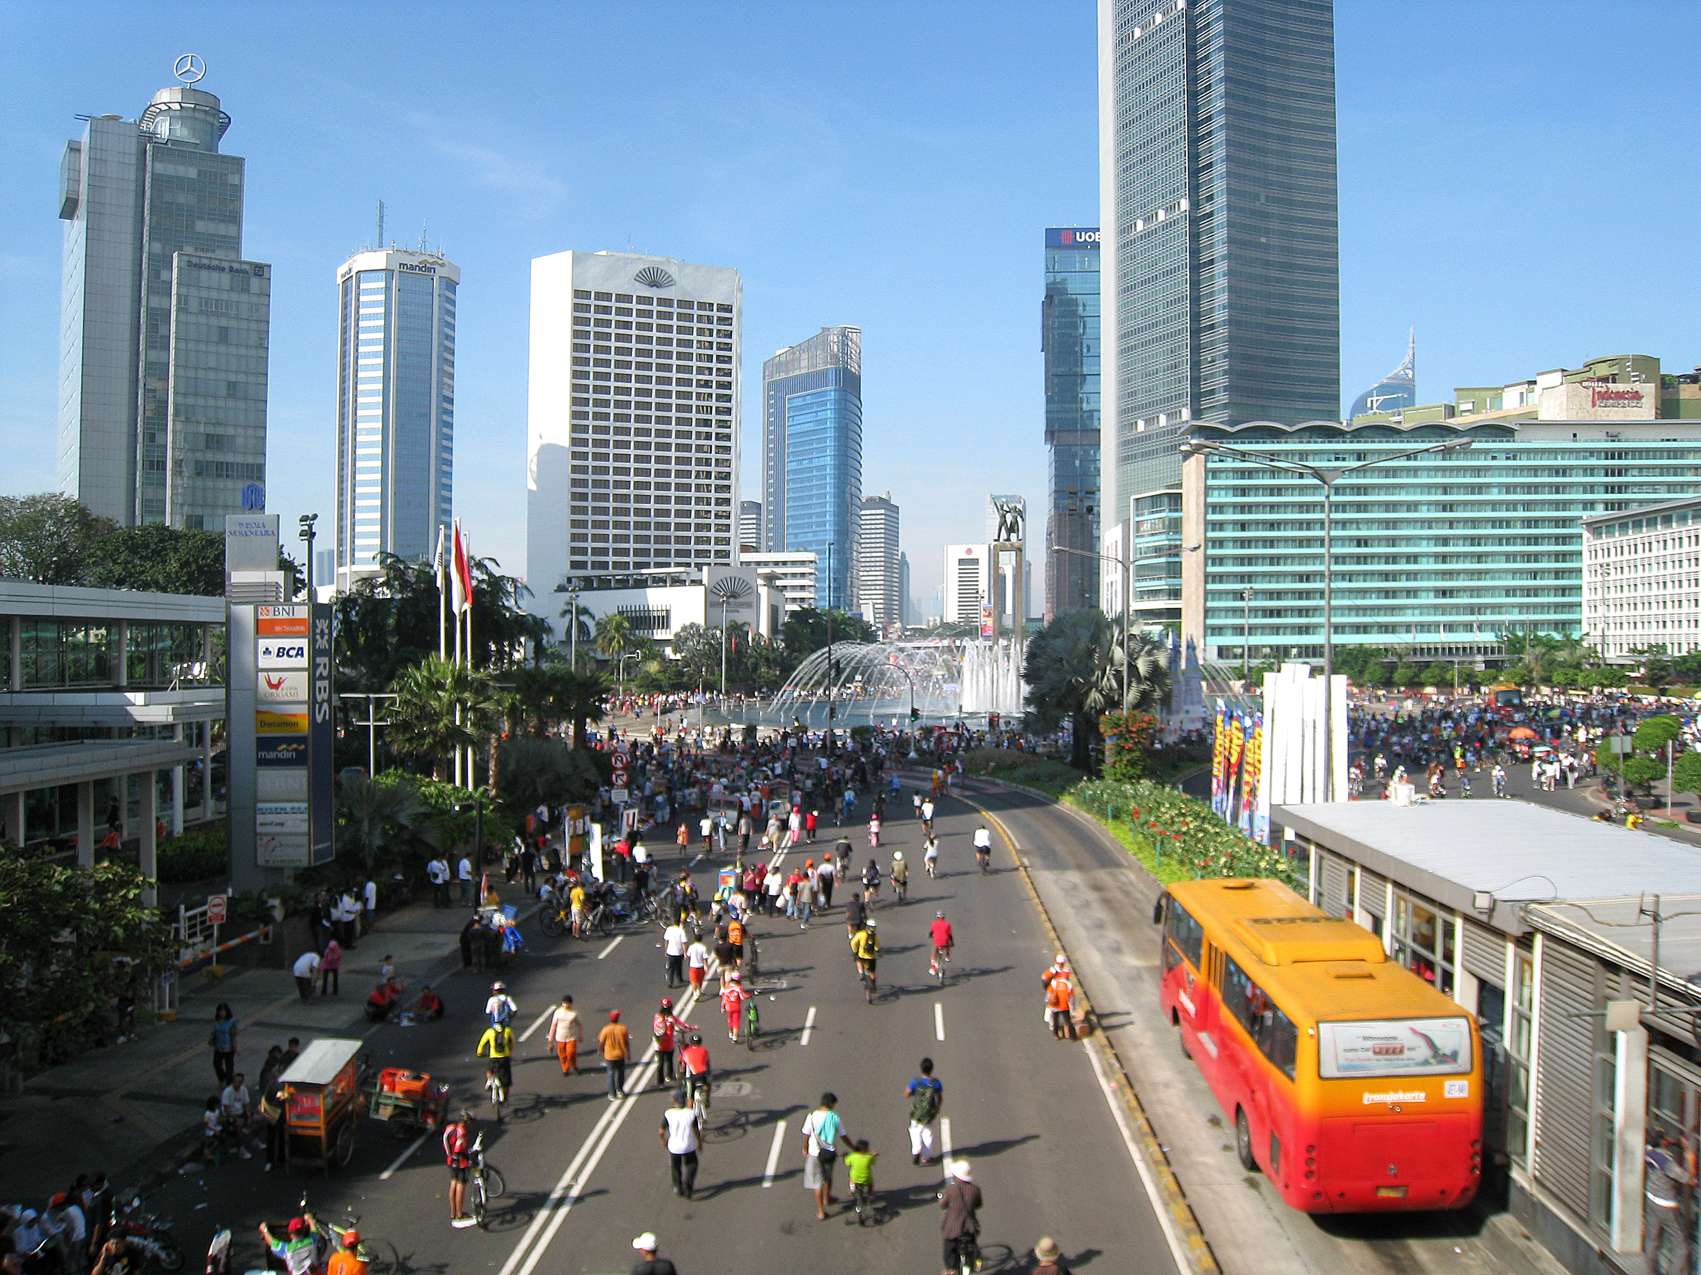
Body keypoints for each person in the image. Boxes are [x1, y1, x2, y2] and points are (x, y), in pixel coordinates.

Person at [801, 1092, 851, 1221]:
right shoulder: (834, 1118)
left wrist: (805, 1147)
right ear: (830, 1104)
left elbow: (807, 1134)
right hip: (829, 1153)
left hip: (814, 1153)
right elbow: (843, 1136)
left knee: (817, 1183)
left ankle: (821, 1212)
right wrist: (853, 1147)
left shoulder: (811, 1116)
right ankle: (827, 1198)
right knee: (827, 1177)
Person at [940, 1160, 983, 1275]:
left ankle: (951, 1270)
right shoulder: (975, 1189)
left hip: (953, 1228)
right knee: (972, 1246)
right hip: (969, 1227)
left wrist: (941, 1199)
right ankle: (975, 1263)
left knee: (949, 1251)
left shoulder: (951, 1189)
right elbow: (978, 1204)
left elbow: (943, 1205)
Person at [659, 1087, 702, 1199]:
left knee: (676, 1167)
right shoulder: (691, 1113)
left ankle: (677, 1187)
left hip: (674, 1147)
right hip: (688, 1146)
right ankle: (688, 1186)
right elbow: (696, 1130)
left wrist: (663, 1140)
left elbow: (661, 1131)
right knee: (692, 1164)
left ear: (674, 1102)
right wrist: (699, 1142)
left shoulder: (669, 1113)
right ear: (686, 1101)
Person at [443, 1110, 477, 1228]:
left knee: (453, 1185)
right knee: (460, 1187)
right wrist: (468, 1157)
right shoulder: (462, 1132)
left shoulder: (450, 1128)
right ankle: (459, 1214)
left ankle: (453, 1212)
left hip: (450, 1160)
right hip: (460, 1163)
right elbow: (459, 1149)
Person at [906, 1057, 944, 1165]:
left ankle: (916, 1149)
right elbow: (940, 1097)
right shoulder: (936, 1083)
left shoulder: (916, 1081)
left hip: (917, 1112)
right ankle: (926, 1157)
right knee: (928, 1134)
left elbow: (907, 1093)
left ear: (921, 1068)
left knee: (914, 1131)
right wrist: (938, 1106)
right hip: (929, 1113)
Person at [476, 1018, 515, 1111]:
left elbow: (481, 1045)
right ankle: (505, 1099)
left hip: (493, 1058)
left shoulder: (489, 1032)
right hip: (504, 1058)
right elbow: (512, 1042)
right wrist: (508, 1050)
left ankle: (489, 1081)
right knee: (506, 1080)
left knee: (490, 1070)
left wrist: (480, 1053)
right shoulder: (507, 1030)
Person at [653, 998, 689, 1088]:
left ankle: (664, 1079)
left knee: (663, 1062)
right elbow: (682, 1025)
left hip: (662, 1044)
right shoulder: (669, 1018)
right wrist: (692, 1028)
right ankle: (665, 1079)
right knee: (665, 1061)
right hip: (664, 1044)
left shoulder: (658, 1017)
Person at [220, 1072, 254, 1158]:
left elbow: (247, 1104)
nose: (238, 1084)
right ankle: (241, 1147)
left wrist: (249, 1116)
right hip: (231, 1115)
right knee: (240, 1124)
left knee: (259, 1119)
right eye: (236, 1082)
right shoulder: (227, 1092)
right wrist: (236, 1118)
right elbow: (226, 1109)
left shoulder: (243, 1090)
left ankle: (255, 1140)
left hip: (241, 1112)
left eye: (240, 1082)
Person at [599, 1010, 631, 1100]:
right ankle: (620, 1090)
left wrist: (600, 1050)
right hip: (620, 1054)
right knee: (621, 1072)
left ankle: (612, 1093)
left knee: (610, 1073)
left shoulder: (606, 1029)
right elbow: (626, 1042)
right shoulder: (623, 1028)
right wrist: (628, 1053)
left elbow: (601, 1042)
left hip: (609, 1055)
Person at [845, 1138, 878, 1224]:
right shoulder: (869, 1157)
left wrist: (846, 1156)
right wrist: (874, 1155)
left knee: (852, 1177)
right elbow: (873, 1162)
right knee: (871, 1184)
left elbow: (847, 1162)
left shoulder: (853, 1156)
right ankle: (869, 1196)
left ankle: (852, 1189)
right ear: (865, 1149)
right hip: (866, 1179)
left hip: (856, 1178)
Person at [1043, 957, 1077, 1040]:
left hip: (1055, 1006)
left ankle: (1056, 1035)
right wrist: (1072, 1008)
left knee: (1055, 1021)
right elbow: (1071, 998)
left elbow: (1049, 993)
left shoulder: (1055, 982)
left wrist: (1047, 1002)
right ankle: (1072, 1036)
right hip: (1064, 1006)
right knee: (1068, 1022)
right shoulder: (1069, 985)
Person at [547, 994, 580, 1076]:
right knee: (562, 1055)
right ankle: (565, 1069)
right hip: (560, 1037)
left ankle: (574, 1065)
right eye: (564, 1003)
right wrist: (550, 1038)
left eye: (567, 1003)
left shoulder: (574, 1013)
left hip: (571, 1036)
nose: (565, 1005)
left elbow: (579, 1024)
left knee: (571, 1052)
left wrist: (580, 1035)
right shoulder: (558, 1013)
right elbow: (553, 1025)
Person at [679, 1032, 712, 1113]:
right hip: (702, 1075)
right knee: (708, 1085)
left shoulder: (686, 1052)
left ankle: (689, 1117)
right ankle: (707, 1099)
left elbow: (683, 1067)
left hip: (691, 1077)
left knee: (690, 1098)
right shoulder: (705, 1051)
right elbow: (707, 1064)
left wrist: (681, 1076)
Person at [209, 1001, 238, 1085]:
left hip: (229, 1048)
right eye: (220, 1011)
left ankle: (229, 1082)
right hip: (218, 1047)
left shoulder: (231, 1022)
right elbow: (214, 1031)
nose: (222, 1013)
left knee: (229, 1066)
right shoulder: (217, 1021)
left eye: (223, 1011)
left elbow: (235, 1035)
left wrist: (237, 1047)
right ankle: (222, 1078)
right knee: (216, 1064)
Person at [851, 920, 879, 996]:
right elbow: (877, 948)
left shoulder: (861, 934)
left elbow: (853, 942)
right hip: (871, 957)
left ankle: (861, 973)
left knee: (858, 960)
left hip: (862, 955)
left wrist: (855, 950)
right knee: (872, 972)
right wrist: (876, 952)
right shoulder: (876, 937)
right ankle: (873, 985)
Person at [663, 916, 688, 988]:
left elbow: (666, 940)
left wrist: (666, 949)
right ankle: (679, 978)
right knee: (679, 965)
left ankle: (670, 982)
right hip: (679, 952)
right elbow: (684, 943)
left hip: (670, 952)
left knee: (671, 968)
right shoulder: (681, 931)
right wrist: (685, 953)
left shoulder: (669, 929)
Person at [930, 911, 954, 979]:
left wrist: (929, 935)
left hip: (937, 942)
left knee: (933, 955)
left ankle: (934, 968)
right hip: (945, 942)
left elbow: (931, 932)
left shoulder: (933, 924)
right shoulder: (947, 924)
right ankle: (947, 956)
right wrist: (952, 942)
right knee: (948, 945)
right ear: (944, 917)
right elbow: (949, 935)